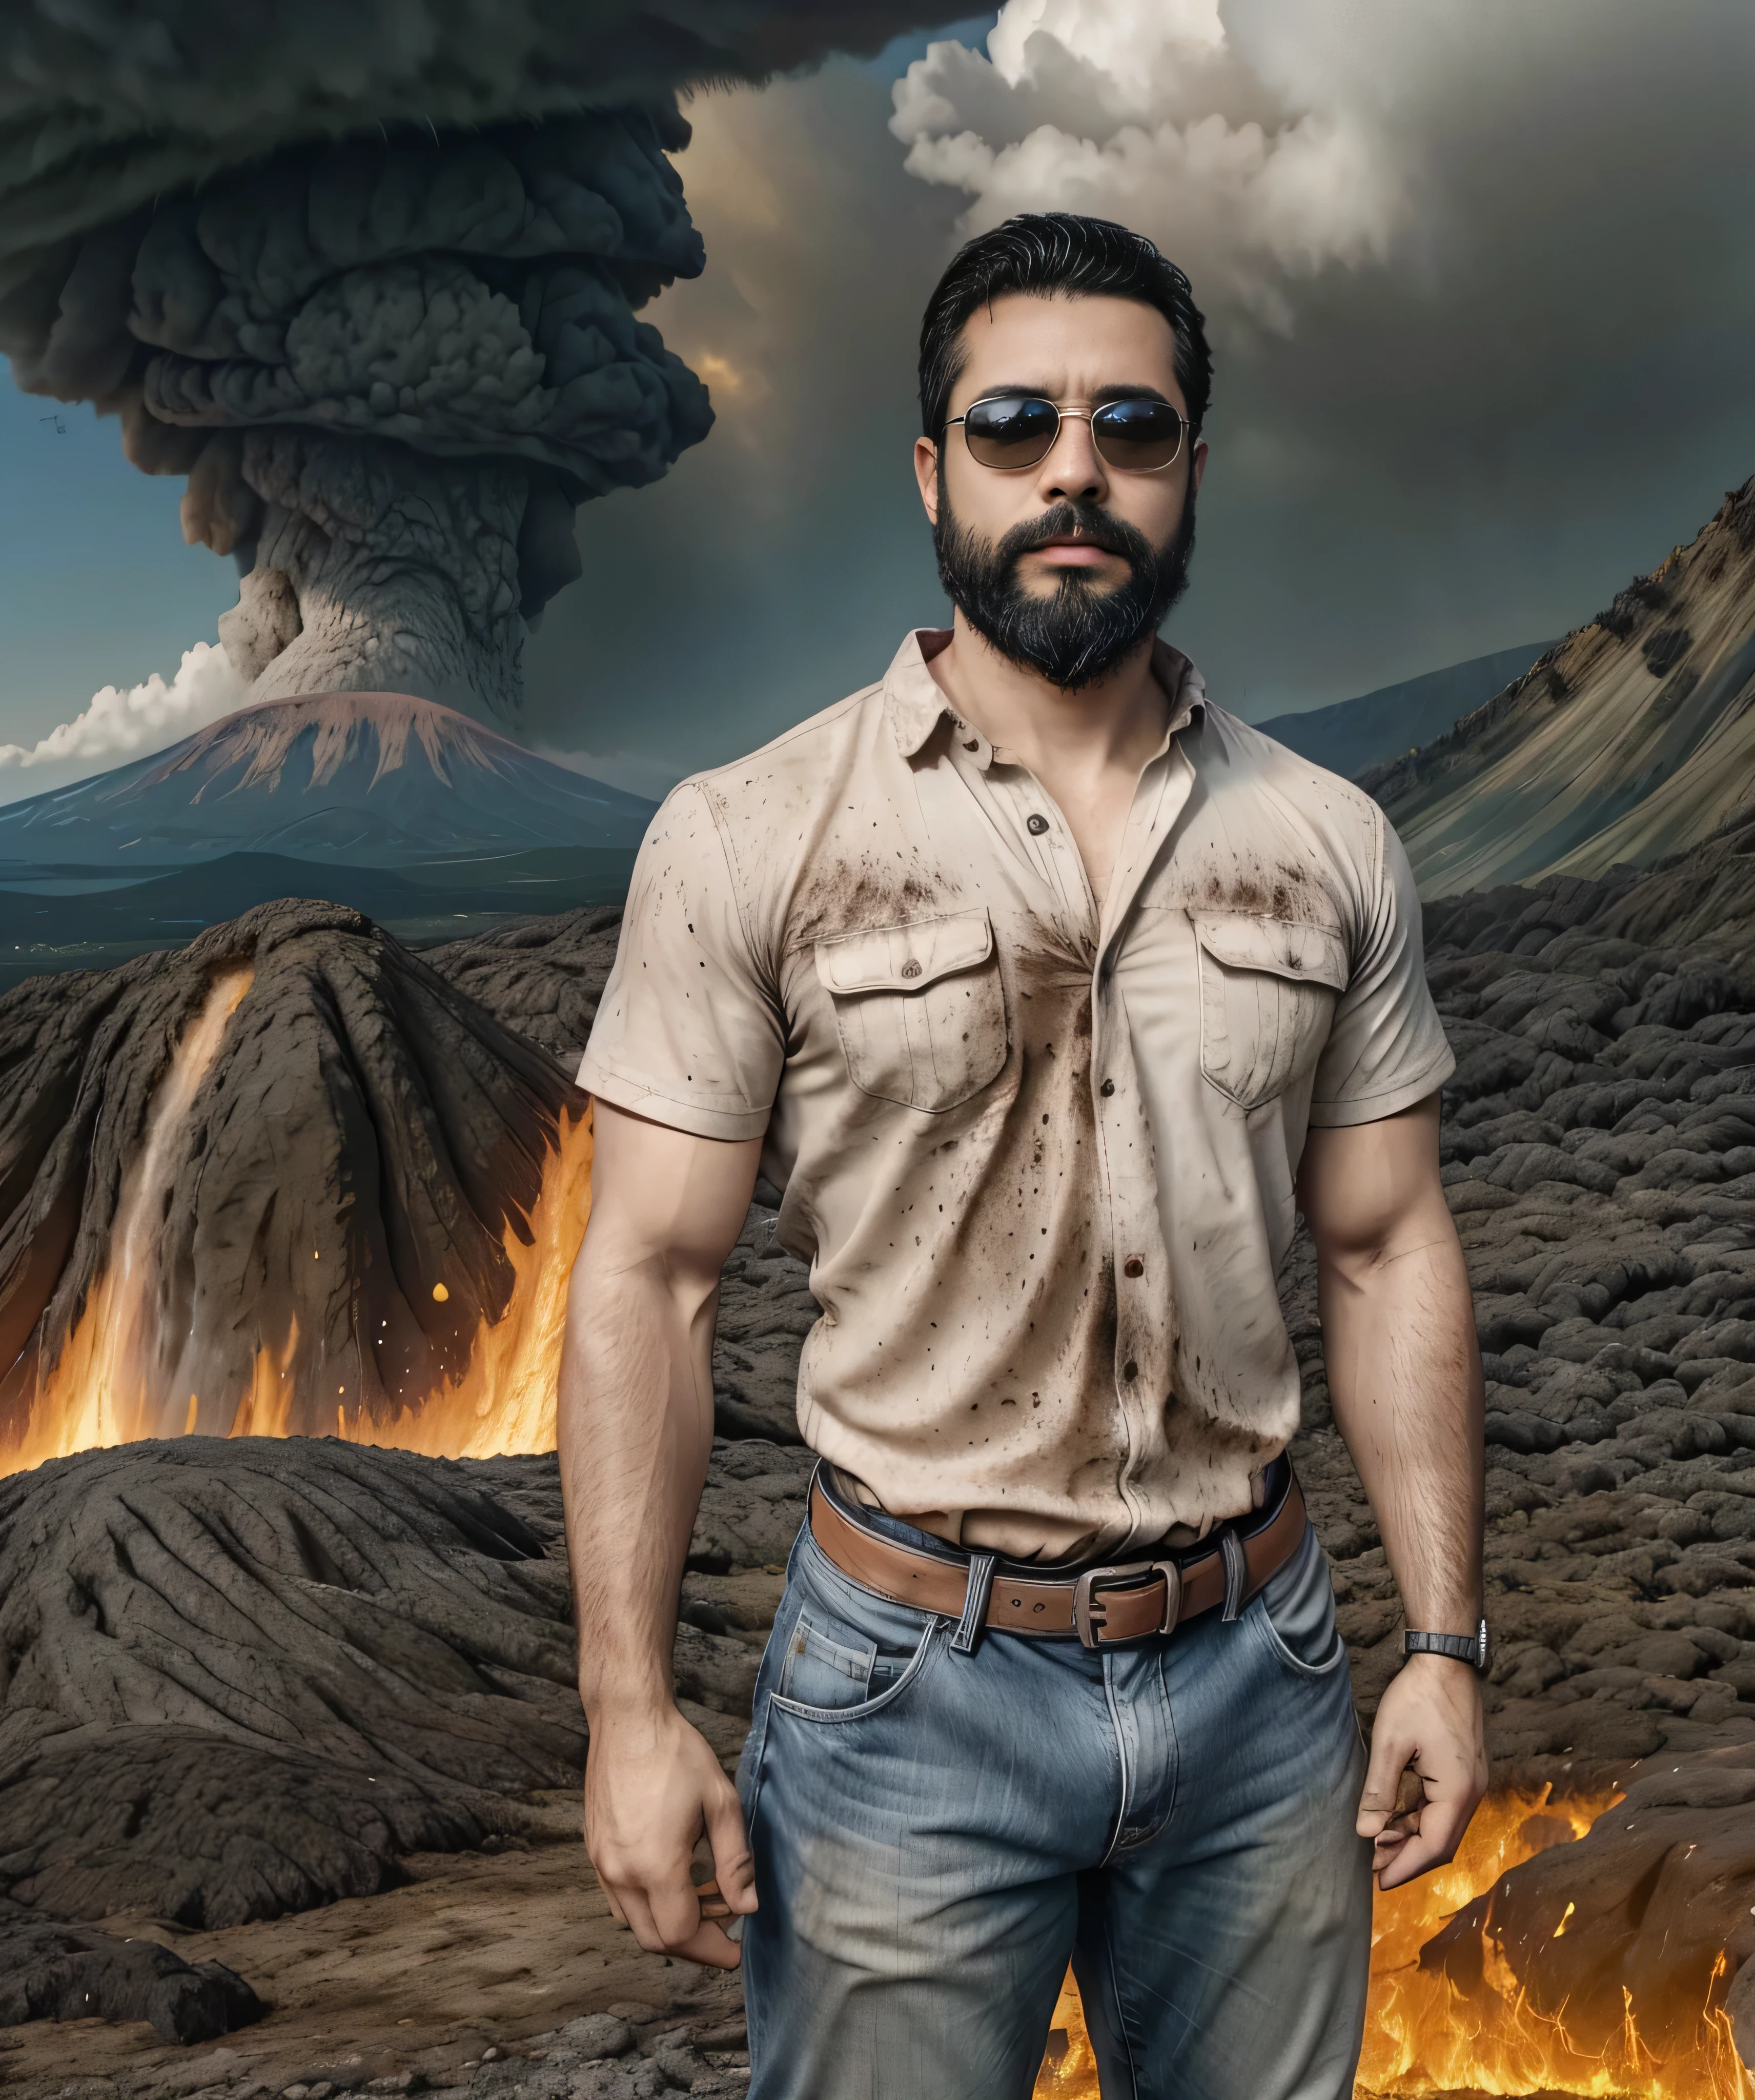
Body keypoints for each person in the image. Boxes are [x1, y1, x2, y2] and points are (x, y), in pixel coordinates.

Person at [559, 211, 1488, 2100]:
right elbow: (644, 1279)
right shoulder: (747, 838)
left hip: (1267, 1685)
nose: (1075, 466)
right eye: (1014, 425)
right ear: (932, 469)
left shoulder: (1327, 843)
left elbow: (1389, 1247)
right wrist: (626, 1709)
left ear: (1190, 473)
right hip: (908, 1693)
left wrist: (1448, 1641)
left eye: (1129, 426)